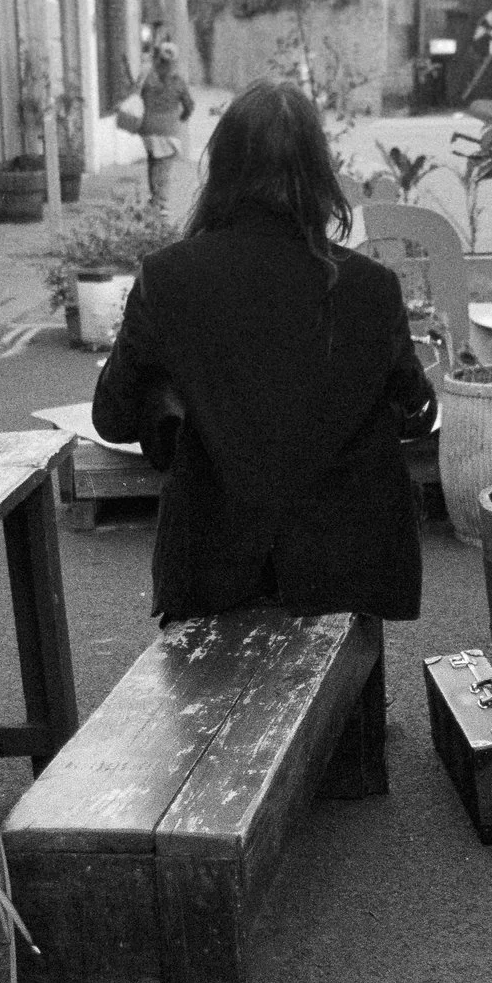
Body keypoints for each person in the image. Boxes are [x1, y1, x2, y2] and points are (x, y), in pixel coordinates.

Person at [92, 79, 438, 625]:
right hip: (348, 569)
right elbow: (417, 412)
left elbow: (112, 419)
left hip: (213, 567)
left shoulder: (169, 278)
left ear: (222, 170)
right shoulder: (370, 287)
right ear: (319, 175)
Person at [136, 40, 195, 211]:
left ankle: (154, 198)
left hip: (147, 127)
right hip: (168, 129)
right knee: (164, 165)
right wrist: (183, 118)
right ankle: (160, 201)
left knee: (153, 162)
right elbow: (189, 105)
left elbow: (137, 95)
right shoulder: (178, 80)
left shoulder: (148, 77)